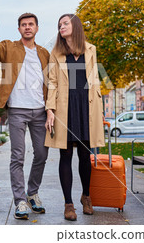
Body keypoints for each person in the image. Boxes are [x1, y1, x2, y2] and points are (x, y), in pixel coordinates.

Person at [0, 12, 50, 220]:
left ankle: (32, 193)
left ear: (37, 28)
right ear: (19, 29)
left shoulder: (44, 53)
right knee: (18, 156)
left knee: (42, 154)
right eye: (23, 25)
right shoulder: (9, 47)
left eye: (31, 24)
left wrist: (51, 110)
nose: (27, 27)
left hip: (40, 110)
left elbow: (51, 82)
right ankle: (20, 199)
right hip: (17, 109)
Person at [44, 14, 105, 221]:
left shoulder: (91, 50)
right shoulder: (56, 53)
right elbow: (52, 81)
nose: (61, 27)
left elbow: (95, 80)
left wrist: (99, 109)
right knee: (66, 155)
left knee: (86, 156)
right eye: (59, 24)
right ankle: (68, 203)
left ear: (75, 26)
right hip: (65, 107)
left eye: (65, 23)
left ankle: (86, 197)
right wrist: (50, 109)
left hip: (86, 106)